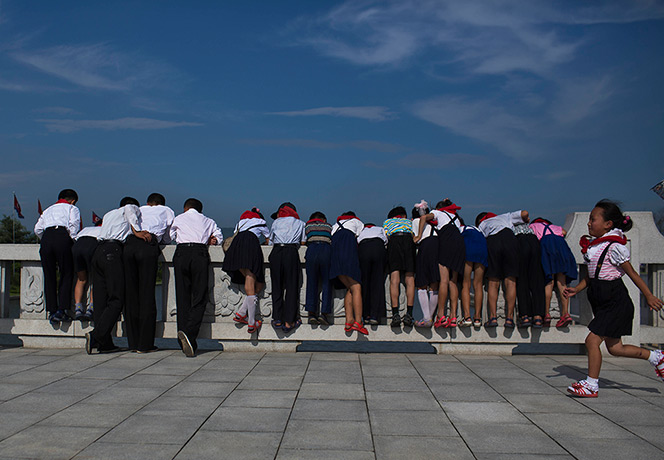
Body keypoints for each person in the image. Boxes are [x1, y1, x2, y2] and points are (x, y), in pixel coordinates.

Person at [564, 200, 664, 398]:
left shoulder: (613, 246)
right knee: (616, 348)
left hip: (615, 301)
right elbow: (590, 276)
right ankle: (657, 357)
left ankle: (591, 385)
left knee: (592, 341)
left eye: (593, 219)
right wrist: (577, 289)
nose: (589, 223)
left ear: (608, 224)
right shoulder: (595, 246)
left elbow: (633, 274)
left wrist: (649, 295)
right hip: (601, 301)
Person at [85, 197, 150, 354]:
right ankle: (96, 336)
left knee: (101, 301)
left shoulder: (109, 214)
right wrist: (138, 232)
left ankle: (105, 343)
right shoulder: (129, 208)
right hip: (113, 252)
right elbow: (129, 209)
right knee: (116, 298)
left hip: (98, 252)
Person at [169, 198, 223, 357]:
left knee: (183, 297)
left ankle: (184, 338)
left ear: (186, 208)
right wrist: (213, 239)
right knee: (200, 297)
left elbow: (171, 235)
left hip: (181, 253)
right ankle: (189, 332)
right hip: (199, 254)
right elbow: (218, 237)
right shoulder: (208, 220)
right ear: (200, 209)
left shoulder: (178, 218)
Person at [123, 193, 174, 353]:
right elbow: (169, 234)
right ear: (162, 203)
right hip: (148, 243)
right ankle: (145, 344)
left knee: (131, 295)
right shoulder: (167, 210)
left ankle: (132, 342)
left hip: (130, 244)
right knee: (147, 294)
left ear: (148, 202)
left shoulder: (138, 209)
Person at [414, 199, 465, 329]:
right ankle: (453, 316)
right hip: (459, 244)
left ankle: (440, 316)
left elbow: (424, 217)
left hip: (446, 243)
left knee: (443, 280)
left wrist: (419, 235)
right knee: (453, 281)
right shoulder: (456, 217)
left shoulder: (439, 213)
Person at [34, 189, 81, 325]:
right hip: (62, 236)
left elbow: (37, 229)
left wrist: (46, 239)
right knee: (66, 273)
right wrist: (72, 239)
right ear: (72, 200)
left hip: (47, 238)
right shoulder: (72, 208)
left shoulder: (48, 209)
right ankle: (62, 309)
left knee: (49, 275)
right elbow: (74, 225)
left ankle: (52, 311)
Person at [476, 210, 528, 328]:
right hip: (509, 239)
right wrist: (527, 220)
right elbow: (524, 213)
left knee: (493, 282)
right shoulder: (505, 217)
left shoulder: (481, 225)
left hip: (492, 241)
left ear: (480, 220)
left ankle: (493, 318)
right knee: (511, 281)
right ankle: (509, 318)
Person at [224, 207, 269, 334]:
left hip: (236, 247)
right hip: (250, 246)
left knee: (257, 284)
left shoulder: (241, 223)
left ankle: (241, 313)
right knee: (251, 279)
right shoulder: (261, 223)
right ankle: (251, 322)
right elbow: (268, 239)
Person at [529, 217, 578, 328]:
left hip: (547, 247)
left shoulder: (534, 226)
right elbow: (564, 232)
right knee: (562, 283)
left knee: (549, 282)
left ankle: (546, 313)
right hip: (561, 247)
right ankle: (565, 314)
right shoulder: (556, 227)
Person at [269, 202, 306, 332]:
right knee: (291, 286)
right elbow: (302, 242)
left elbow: (271, 241)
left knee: (277, 286)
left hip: (277, 252)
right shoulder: (300, 223)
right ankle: (289, 321)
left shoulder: (276, 222)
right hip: (291, 252)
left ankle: (277, 319)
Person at [331, 211, 368, 335]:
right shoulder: (356, 222)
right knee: (357, 287)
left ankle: (349, 320)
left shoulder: (335, 226)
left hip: (335, 258)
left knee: (350, 288)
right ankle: (358, 321)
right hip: (348, 255)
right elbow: (362, 237)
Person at [383, 206, 416, 327]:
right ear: (403, 215)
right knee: (410, 278)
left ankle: (395, 314)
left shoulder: (387, 222)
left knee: (394, 279)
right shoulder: (410, 222)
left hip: (394, 241)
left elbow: (386, 237)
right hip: (408, 240)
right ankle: (409, 314)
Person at [512, 221, 545, 328]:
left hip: (519, 242)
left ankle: (525, 316)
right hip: (534, 242)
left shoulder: (509, 225)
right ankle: (538, 317)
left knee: (522, 280)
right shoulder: (533, 227)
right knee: (537, 280)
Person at [411, 201, 439, 328]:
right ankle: (430, 317)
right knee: (434, 285)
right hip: (437, 246)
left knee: (421, 285)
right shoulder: (435, 222)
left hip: (425, 247)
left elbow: (415, 239)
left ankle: (426, 318)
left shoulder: (416, 222)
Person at [303, 212, 333, 325]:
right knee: (327, 283)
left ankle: (311, 313)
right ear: (323, 219)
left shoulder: (308, 226)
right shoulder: (329, 226)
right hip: (326, 251)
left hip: (312, 250)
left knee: (312, 282)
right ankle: (324, 313)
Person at [459, 218, 487, 328]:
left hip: (468, 250)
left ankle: (467, 317)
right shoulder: (478, 229)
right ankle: (477, 318)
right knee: (478, 284)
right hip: (482, 250)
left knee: (466, 284)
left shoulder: (460, 229)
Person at [358, 223, 387, 325]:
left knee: (364, 283)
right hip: (378, 248)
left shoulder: (361, 231)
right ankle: (375, 315)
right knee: (377, 283)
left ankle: (366, 315)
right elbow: (386, 241)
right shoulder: (380, 229)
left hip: (364, 248)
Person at [72, 224, 101, 321]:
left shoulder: (86, 229)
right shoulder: (103, 229)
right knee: (95, 280)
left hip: (77, 247)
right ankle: (91, 308)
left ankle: (78, 307)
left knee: (81, 279)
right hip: (92, 246)